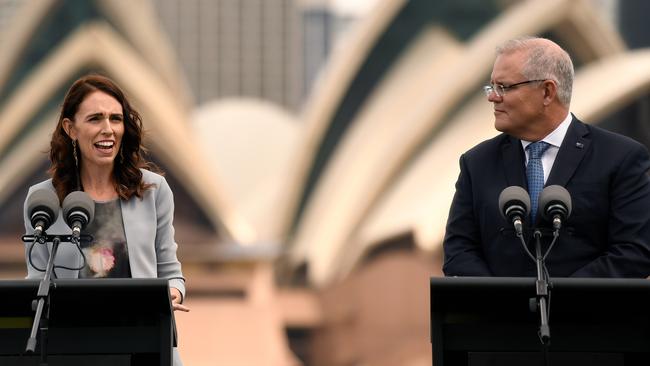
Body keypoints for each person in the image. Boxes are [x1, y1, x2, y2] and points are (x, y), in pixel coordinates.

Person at [442, 36, 650, 278]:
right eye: (492, 86)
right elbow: (459, 251)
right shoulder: (476, 163)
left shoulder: (620, 157)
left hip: (586, 313)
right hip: (501, 314)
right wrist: (500, 301)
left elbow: (634, 252)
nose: (493, 97)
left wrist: (559, 301)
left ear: (547, 92)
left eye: (505, 87)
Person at [23, 74, 189, 364]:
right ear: (70, 128)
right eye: (95, 119)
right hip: (70, 347)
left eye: (116, 118)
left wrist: (172, 294)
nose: (108, 129)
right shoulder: (42, 200)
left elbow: (171, 273)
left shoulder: (153, 191)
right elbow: (37, 280)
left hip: (143, 345)